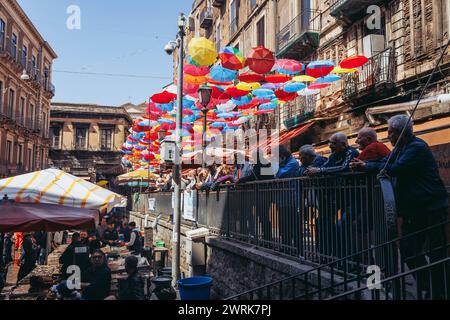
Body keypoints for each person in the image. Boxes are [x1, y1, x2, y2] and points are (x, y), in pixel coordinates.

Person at [350, 114, 449, 299]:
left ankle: (439, 289)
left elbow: (395, 168)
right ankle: (429, 285)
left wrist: (367, 167)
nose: (388, 137)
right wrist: (367, 165)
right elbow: (385, 163)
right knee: (407, 250)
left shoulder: (416, 147)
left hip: (431, 206)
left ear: (400, 133)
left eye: (391, 133)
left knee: (437, 252)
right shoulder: (400, 148)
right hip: (415, 209)